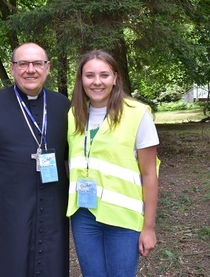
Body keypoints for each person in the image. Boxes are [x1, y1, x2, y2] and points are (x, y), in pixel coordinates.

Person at [0, 42, 71, 277]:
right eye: (23, 64)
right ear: (12, 69)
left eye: (37, 63)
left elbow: (73, 157)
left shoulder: (62, 105)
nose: (30, 70)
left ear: (48, 68)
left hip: (52, 207)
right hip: (6, 210)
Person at [66, 49, 160, 277]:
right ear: (81, 80)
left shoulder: (138, 114)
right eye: (89, 75)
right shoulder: (73, 115)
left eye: (104, 75)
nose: (97, 82)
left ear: (115, 78)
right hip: (84, 216)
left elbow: (149, 174)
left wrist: (149, 227)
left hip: (123, 216)